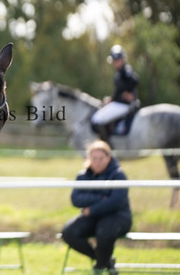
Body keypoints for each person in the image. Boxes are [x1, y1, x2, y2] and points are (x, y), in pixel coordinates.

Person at [62, 140, 132, 274]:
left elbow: (116, 201)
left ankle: (99, 267)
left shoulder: (118, 175)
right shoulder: (82, 176)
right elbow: (76, 199)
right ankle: (107, 262)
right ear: (89, 158)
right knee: (69, 233)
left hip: (117, 217)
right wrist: (101, 198)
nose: (98, 162)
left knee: (104, 231)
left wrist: (92, 209)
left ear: (109, 158)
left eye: (101, 158)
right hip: (92, 217)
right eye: (94, 158)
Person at [91, 45, 139, 143]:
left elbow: (135, 81)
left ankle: (108, 145)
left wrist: (129, 93)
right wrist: (111, 99)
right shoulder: (119, 72)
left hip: (123, 105)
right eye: (114, 61)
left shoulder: (125, 70)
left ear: (122, 60)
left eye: (117, 60)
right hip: (118, 103)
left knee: (96, 119)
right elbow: (119, 91)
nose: (115, 63)